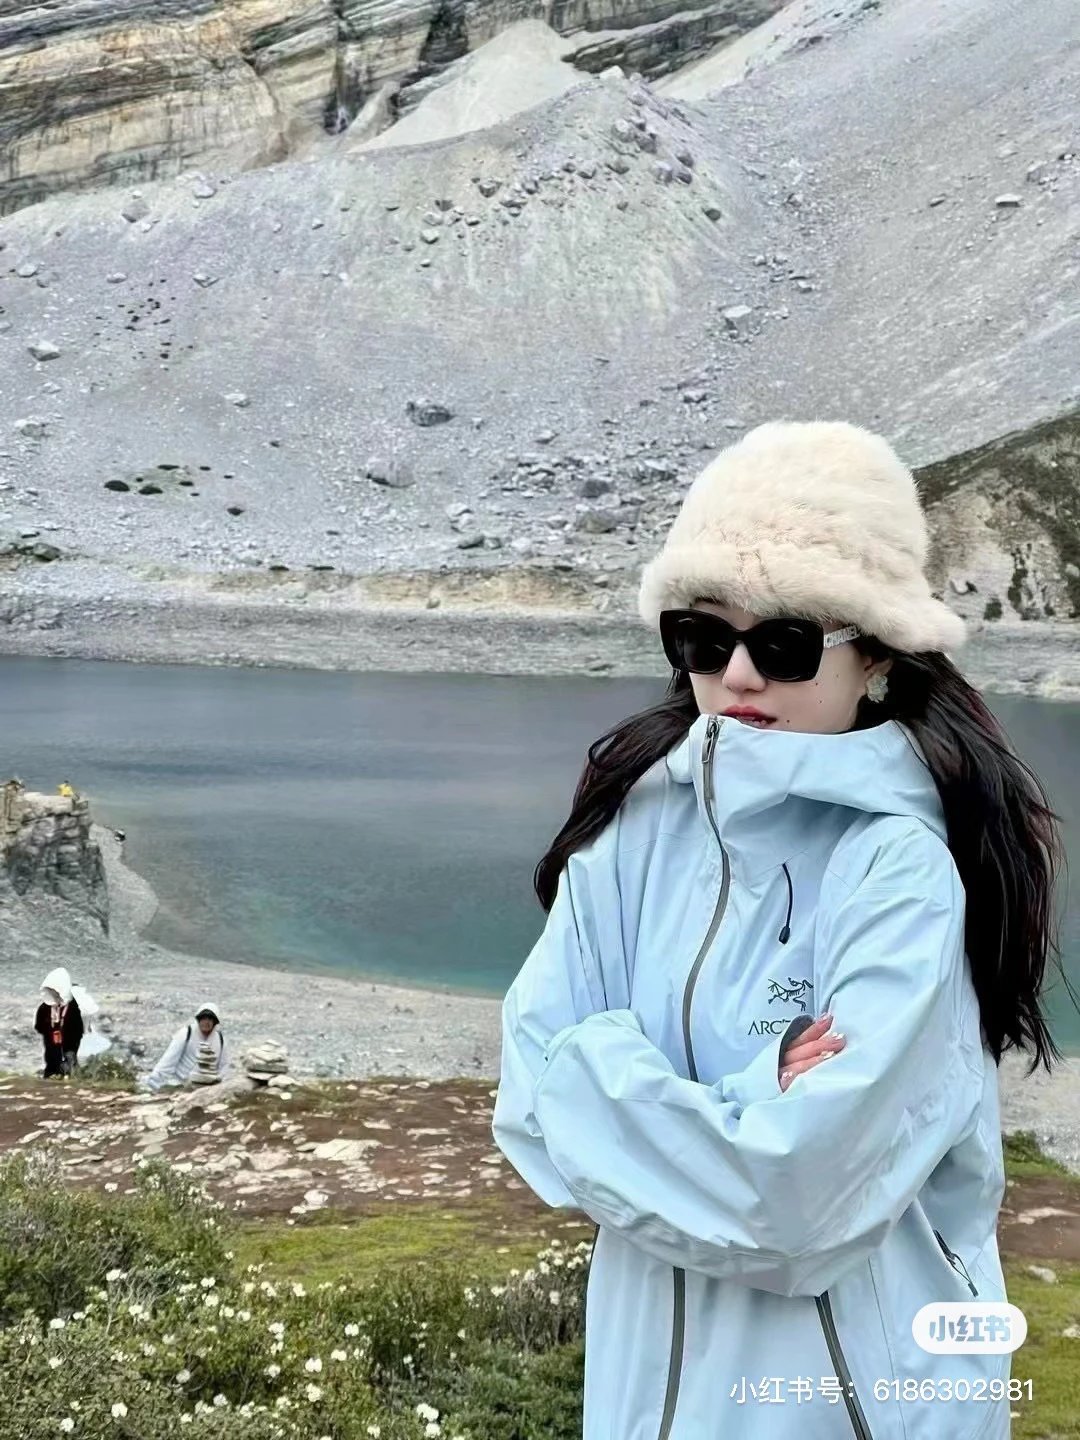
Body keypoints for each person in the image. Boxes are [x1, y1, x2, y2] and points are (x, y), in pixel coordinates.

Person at [492, 421, 1070, 1440]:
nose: (739, 677)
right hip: (642, 1407)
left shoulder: (896, 868)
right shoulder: (631, 830)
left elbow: (798, 1208)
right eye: (704, 639)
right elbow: (526, 1114)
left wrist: (593, 1065)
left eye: (786, 642)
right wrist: (758, 1091)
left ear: (876, 654)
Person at [143, 1004, 227, 1091]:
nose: (206, 1022)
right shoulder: (186, 1033)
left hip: (207, 1088)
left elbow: (224, 1067)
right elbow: (168, 1060)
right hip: (182, 1085)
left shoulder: (220, 1040)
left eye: (210, 1019)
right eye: (204, 1018)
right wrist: (154, 1081)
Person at [35, 967, 84, 1078]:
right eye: (51, 991)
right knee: (51, 1068)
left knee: (71, 1067)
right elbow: (39, 1026)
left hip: (70, 1047)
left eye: (57, 991)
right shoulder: (44, 1008)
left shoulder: (74, 1008)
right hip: (51, 1046)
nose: (55, 994)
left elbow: (79, 1030)